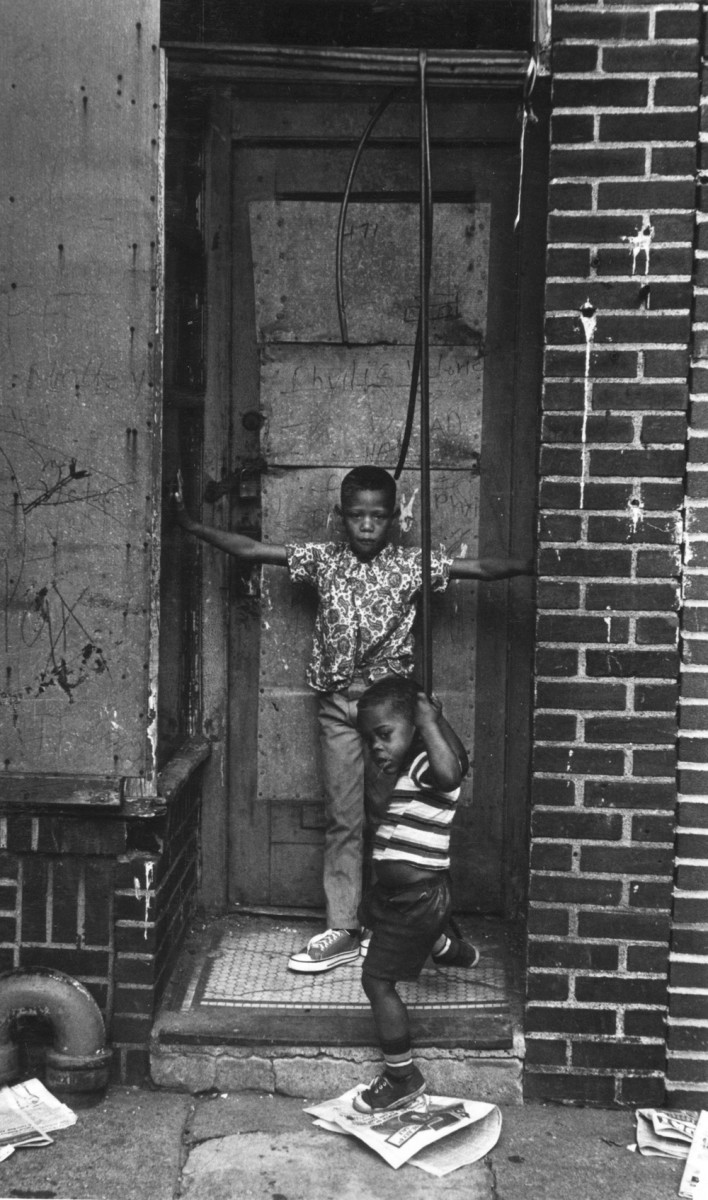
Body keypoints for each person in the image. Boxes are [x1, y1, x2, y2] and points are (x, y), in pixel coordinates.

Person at [173, 463, 531, 972]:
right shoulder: (322, 560)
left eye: (378, 516)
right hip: (340, 707)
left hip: (392, 714)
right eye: (357, 515)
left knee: (398, 817)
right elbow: (252, 551)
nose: (367, 525)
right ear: (341, 516)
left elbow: (482, 570)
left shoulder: (410, 566)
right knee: (345, 818)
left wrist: (542, 560)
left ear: (392, 520)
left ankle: (411, 922)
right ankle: (342, 927)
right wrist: (190, 526)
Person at [353, 674, 474, 1113]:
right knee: (371, 913)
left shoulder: (428, 764)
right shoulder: (414, 766)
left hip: (420, 898)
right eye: (370, 740)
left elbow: (452, 770)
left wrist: (428, 721)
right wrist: (430, 723)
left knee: (376, 979)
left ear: (417, 729)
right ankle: (443, 947)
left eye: (384, 735)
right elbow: (461, 759)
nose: (377, 747)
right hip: (406, 898)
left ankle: (402, 1076)